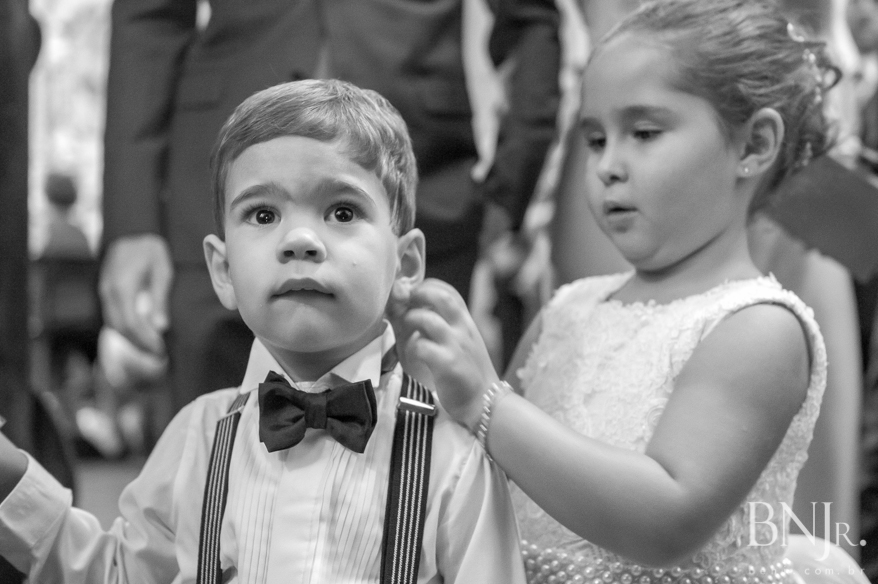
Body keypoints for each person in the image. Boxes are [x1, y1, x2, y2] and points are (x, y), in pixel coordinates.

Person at [392, 1, 870, 582]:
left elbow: (665, 519)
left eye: (643, 133)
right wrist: (426, 380)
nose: (607, 166)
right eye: (595, 140)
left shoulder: (757, 328)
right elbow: (484, 470)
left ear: (753, 145)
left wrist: (486, 403)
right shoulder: (565, 311)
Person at [0, 79, 526, 583]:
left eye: (342, 211)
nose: (300, 239)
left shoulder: (452, 458)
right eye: (263, 214)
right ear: (223, 270)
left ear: (406, 264)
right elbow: (117, 575)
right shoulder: (197, 438)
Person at [98, 0, 562, 424]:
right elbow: (150, 17)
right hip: (218, 180)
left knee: (423, 450)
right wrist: (132, 221)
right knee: (208, 454)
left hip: (423, 177)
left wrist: (509, 185)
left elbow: (529, 21)